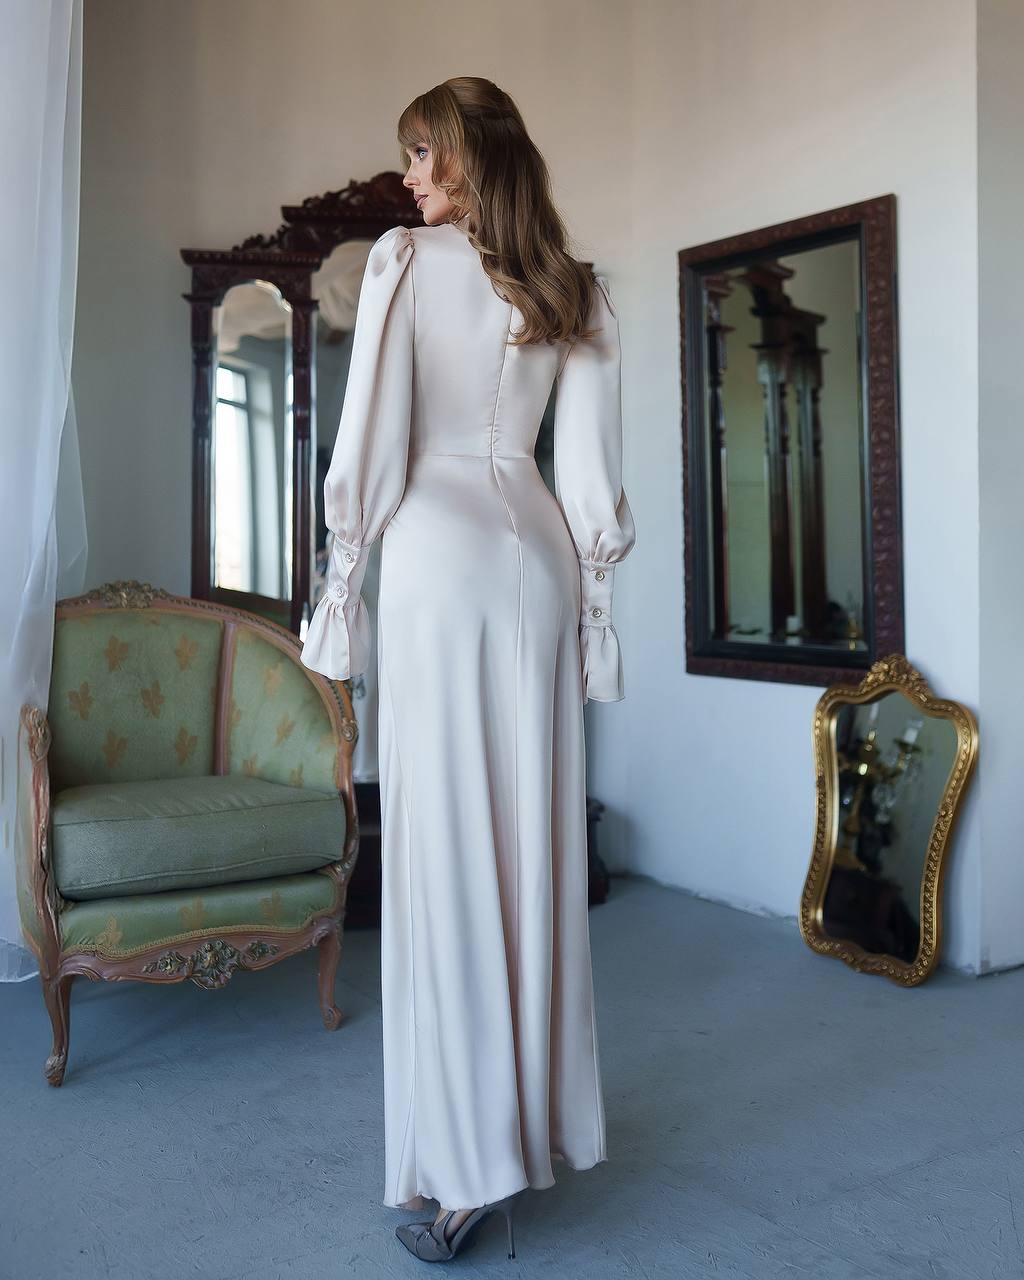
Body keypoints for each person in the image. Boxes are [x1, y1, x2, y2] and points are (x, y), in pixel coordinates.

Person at [300, 76, 636, 1264]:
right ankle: (528, 1126)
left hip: (439, 553)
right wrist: (596, 602)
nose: (410, 179)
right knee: (532, 843)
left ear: (469, 159)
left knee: (444, 855)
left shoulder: (399, 263)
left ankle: (461, 1165)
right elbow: (589, 476)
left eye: (423, 155)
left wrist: (345, 580)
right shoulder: (575, 285)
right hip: (537, 554)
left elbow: (371, 440)